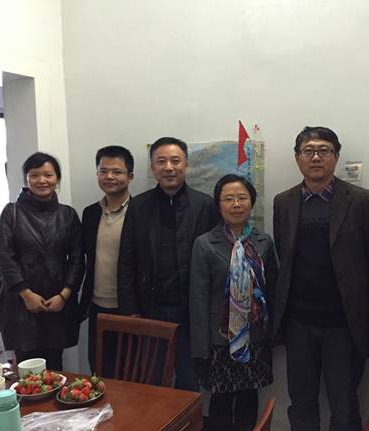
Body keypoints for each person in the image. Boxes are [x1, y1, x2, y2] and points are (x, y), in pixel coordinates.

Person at [272, 126, 369, 431]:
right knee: (301, 403)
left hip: (343, 324)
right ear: (297, 158)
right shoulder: (283, 201)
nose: (316, 157)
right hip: (298, 323)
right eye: (308, 151)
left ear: (336, 156)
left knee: (344, 405)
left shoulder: (361, 200)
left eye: (324, 150)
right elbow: (285, 255)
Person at [117, 136, 219, 390]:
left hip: (192, 312)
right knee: (152, 382)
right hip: (150, 310)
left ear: (187, 165)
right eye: (161, 161)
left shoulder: (205, 205)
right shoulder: (138, 206)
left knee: (189, 382)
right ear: (152, 167)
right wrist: (130, 309)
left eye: (175, 161)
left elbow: (215, 262)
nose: (169, 167)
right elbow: (126, 261)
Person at [190, 174, 277, 431]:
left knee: (250, 397)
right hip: (220, 339)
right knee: (220, 401)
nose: (236, 204)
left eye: (242, 198)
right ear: (219, 205)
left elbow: (272, 289)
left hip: (255, 336)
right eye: (228, 199)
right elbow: (198, 298)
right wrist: (201, 347)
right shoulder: (204, 244)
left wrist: (272, 333)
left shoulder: (264, 242)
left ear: (251, 203)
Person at [0, 152, 84, 371]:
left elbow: (77, 259)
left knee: (55, 367)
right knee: (26, 369)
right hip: (20, 304)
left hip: (57, 302)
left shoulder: (68, 215)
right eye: (34, 175)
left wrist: (64, 295)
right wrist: (26, 294)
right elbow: (4, 258)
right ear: (26, 179)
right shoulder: (11, 213)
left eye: (48, 175)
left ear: (57, 178)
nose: (42, 180)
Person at [79, 145, 134, 375]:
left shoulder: (140, 212)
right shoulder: (90, 213)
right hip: (97, 307)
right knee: (99, 370)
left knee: (130, 372)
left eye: (117, 171)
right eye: (103, 171)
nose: (109, 176)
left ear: (130, 176)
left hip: (130, 308)